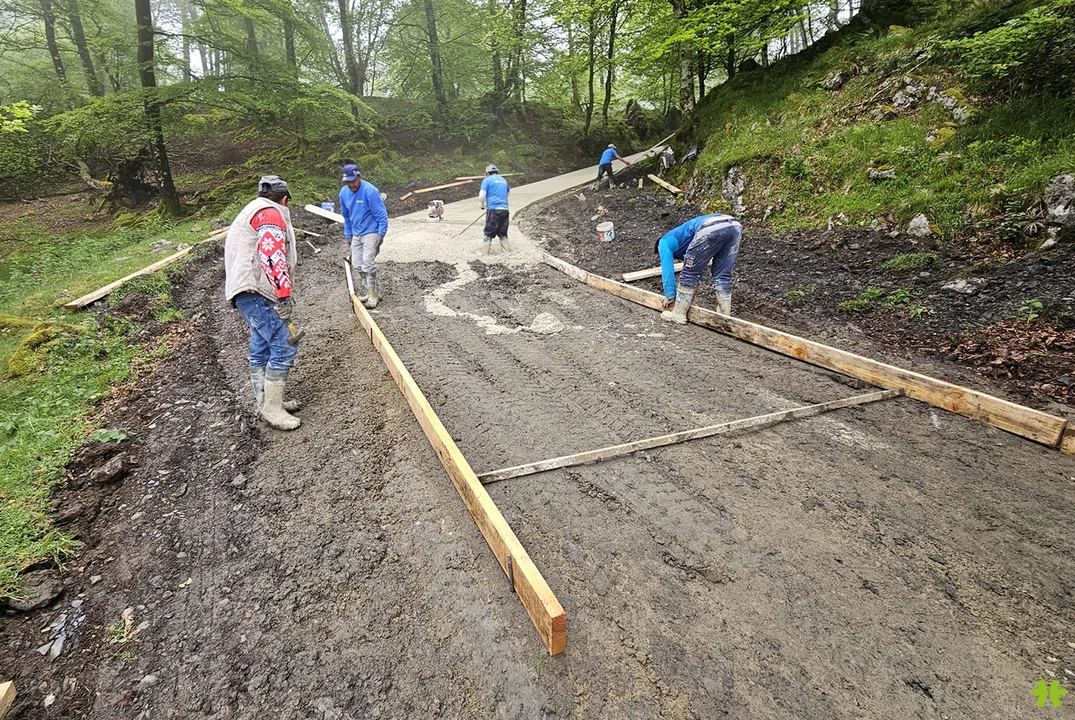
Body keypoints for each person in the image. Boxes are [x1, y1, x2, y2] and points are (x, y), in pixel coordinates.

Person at [224, 175, 303, 430]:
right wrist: (284, 295)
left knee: (261, 345)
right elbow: (271, 254)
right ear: (284, 199)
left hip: (245, 290)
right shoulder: (271, 214)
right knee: (285, 342)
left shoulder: (252, 209)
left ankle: (264, 401)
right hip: (257, 290)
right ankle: (272, 409)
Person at [655, 213, 743, 324]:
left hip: (710, 227)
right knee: (723, 275)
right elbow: (697, 268)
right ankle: (725, 317)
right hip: (734, 226)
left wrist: (670, 295)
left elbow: (668, 269)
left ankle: (678, 314)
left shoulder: (663, 242)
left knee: (689, 273)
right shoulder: (684, 239)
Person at [339, 163, 389, 308]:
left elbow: (381, 214)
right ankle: (371, 291)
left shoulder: (370, 191)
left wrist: (381, 234)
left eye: (353, 181)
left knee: (367, 263)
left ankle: (373, 296)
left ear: (359, 177)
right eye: (348, 182)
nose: (351, 185)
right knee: (357, 265)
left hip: (372, 231)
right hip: (356, 232)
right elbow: (346, 216)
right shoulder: (344, 193)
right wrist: (348, 235)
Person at [478, 164, 511, 255]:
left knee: (488, 233)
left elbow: (482, 196)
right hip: (505, 209)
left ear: (487, 173)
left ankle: (485, 254)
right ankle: (507, 253)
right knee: (503, 233)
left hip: (493, 210)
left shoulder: (487, 180)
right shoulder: (503, 180)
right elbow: (508, 193)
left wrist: (482, 205)